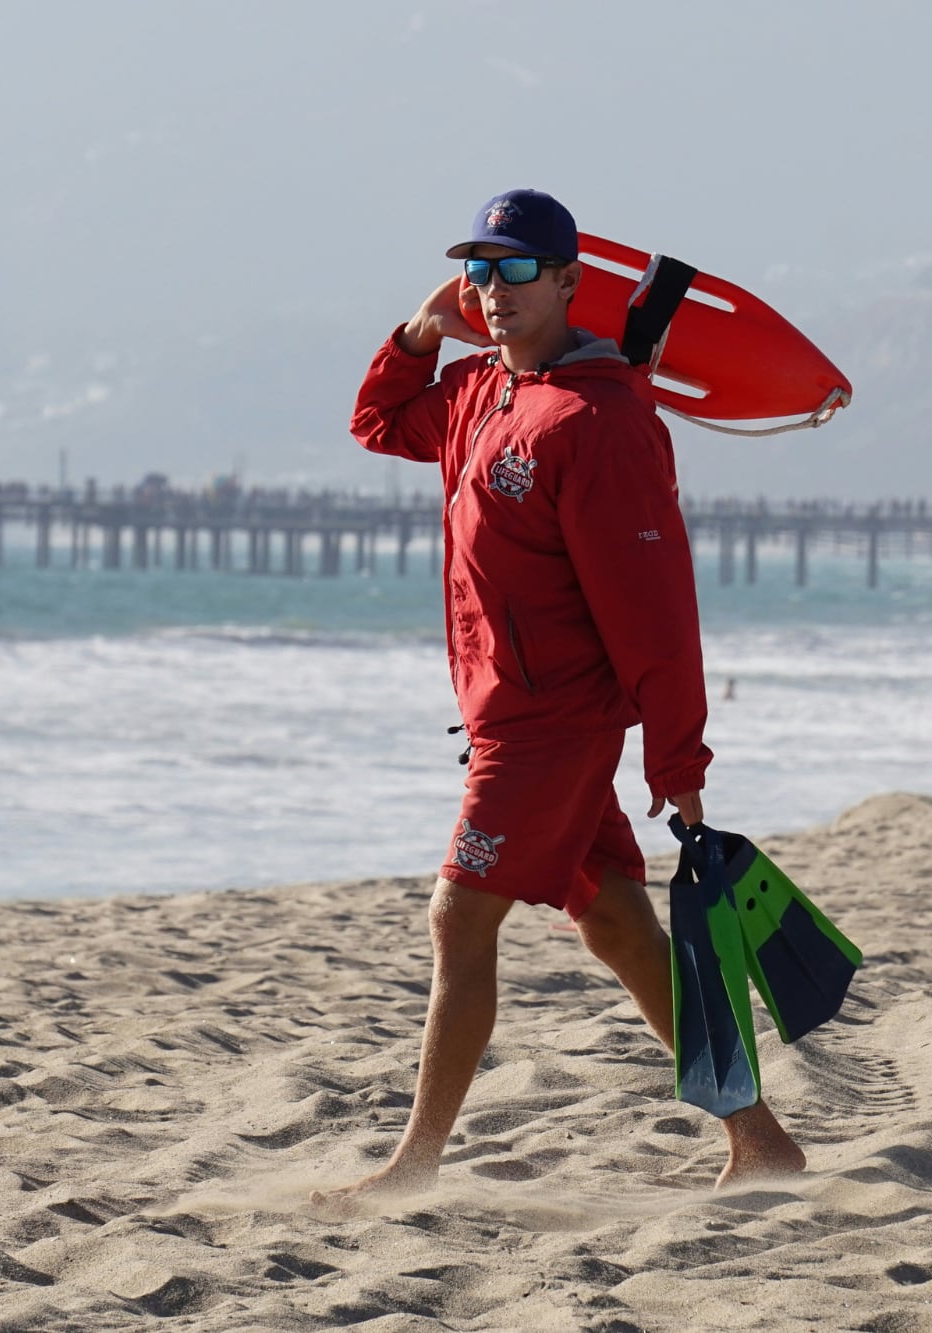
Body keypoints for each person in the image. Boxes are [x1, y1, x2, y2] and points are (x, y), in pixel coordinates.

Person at [313, 188, 803, 1212]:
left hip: (550, 727)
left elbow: (656, 611)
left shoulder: (601, 419)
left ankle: (413, 1166)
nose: (492, 293)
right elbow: (374, 422)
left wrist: (679, 765)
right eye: (477, 272)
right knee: (621, 930)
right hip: (509, 714)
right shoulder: (475, 393)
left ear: (572, 283)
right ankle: (759, 1140)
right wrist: (413, 333)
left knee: (457, 919)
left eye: (515, 271)